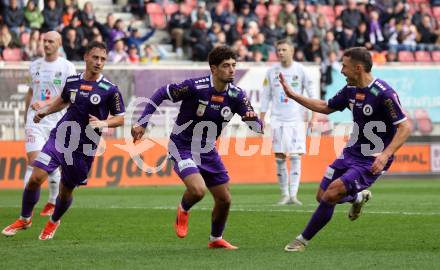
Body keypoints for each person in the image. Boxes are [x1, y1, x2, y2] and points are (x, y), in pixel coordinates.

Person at [280, 47, 411, 252]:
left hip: (371, 159)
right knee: (322, 196)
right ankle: (358, 197)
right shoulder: (350, 90)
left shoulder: (384, 93)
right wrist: (293, 95)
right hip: (351, 152)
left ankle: (301, 241)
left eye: (344, 66)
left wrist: (385, 155)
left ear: (358, 68)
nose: (341, 70)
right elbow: (325, 106)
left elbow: (405, 126)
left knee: (331, 194)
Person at [131, 46, 263, 250]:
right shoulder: (195, 87)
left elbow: (257, 126)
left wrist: (253, 121)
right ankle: (183, 209)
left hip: (208, 150)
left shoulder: (237, 95)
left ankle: (215, 239)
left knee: (225, 199)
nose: (231, 70)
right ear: (214, 69)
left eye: (234, 65)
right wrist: (143, 122)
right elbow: (161, 93)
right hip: (181, 145)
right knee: (198, 190)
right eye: (226, 66)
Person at [2, 41, 126, 240]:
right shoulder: (73, 81)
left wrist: (103, 123)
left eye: (103, 59)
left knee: (65, 191)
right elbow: (62, 101)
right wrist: (44, 112)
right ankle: (25, 218)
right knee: (35, 178)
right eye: (95, 57)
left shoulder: (110, 89)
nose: (99, 62)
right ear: (86, 57)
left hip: (84, 148)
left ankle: (54, 221)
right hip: (61, 136)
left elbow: (120, 118)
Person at [23, 31, 76, 216]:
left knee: (50, 163)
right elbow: (30, 93)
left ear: (59, 43)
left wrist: (46, 103)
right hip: (35, 121)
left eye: (50, 41)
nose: (46, 44)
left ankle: (53, 201)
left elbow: (70, 96)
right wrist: (25, 118)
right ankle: (25, 211)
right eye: (44, 41)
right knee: (34, 162)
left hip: (56, 120)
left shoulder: (68, 67)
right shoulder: (34, 65)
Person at [260, 39, 317, 206]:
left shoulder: (301, 70)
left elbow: (312, 94)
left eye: (284, 49)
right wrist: (262, 118)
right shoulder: (271, 72)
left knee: (295, 156)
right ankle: (284, 194)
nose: (280, 52)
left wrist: (314, 116)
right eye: (278, 50)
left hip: (297, 120)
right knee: (279, 156)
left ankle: (293, 195)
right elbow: (265, 96)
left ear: (292, 51)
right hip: (277, 119)